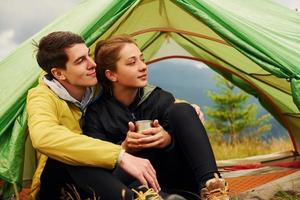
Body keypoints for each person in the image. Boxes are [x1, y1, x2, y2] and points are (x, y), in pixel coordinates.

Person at [27, 31, 201, 200]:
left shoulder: (95, 84)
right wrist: (120, 154)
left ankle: (153, 196)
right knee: (71, 157)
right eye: (81, 61)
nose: (92, 64)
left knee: (143, 144)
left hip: (107, 178)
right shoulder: (41, 96)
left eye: (89, 55)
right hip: (63, 182)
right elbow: (43, 137)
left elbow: (144, 92)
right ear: (58, 73)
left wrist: (181, 106)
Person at [82, 35, 230, 200]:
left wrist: (167, 141)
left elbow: (184, 142)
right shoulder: (96, 114)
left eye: (142, 60)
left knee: (182, 110)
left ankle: (213, 186)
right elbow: (98, 167)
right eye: (132, 62)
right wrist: (124, 148)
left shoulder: (160, 99)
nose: (143, 67)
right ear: (111, 75)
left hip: (177, 179)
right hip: (138, 189)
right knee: (122, 171)